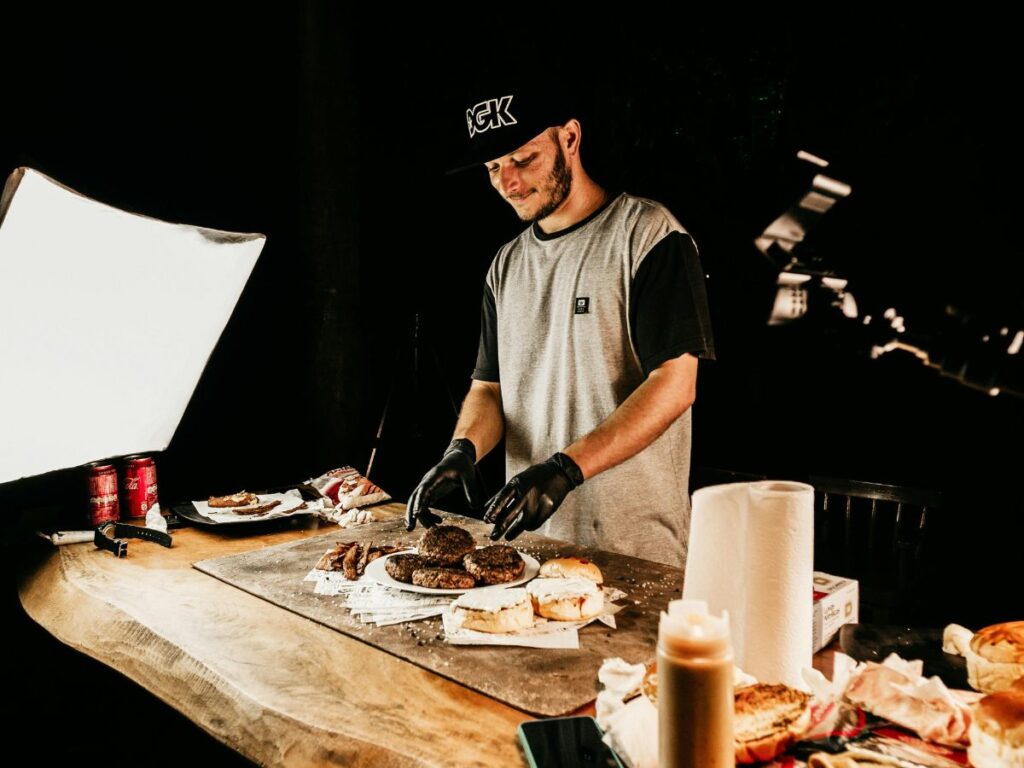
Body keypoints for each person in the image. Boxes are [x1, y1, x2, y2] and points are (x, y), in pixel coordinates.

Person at [405, 83, 715, 568]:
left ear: (569, 139)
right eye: (492, 168)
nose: (508, 182)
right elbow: (489, 388)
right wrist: (462, 449)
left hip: (636, 553)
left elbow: (676, 385)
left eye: (523, 159)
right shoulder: (505, 266)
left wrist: (565, 470)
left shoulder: (649, 234)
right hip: (529, 552)